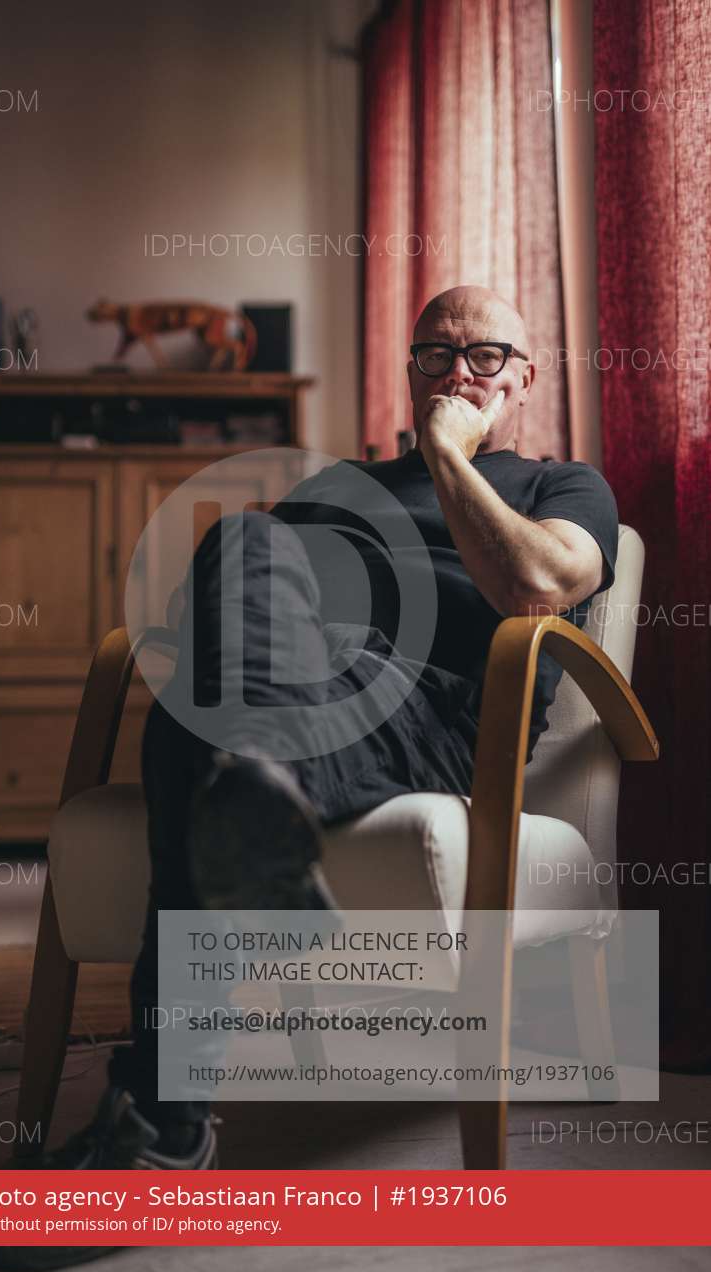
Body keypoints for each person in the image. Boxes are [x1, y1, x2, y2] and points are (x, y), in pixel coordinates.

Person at [45, 284, 618, 1173]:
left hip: (432, 709)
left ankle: (161, 1122)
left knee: (195, 736)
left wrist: (445, 453)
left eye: (483, 357)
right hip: (300, 686)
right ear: (410, 369)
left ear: (525, 377)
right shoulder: (336, 487)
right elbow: (225, 616)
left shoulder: (562, 485)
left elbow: (537, 586)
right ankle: (254, 781)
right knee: (239, 548)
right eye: (435, 355)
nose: (456, 374)